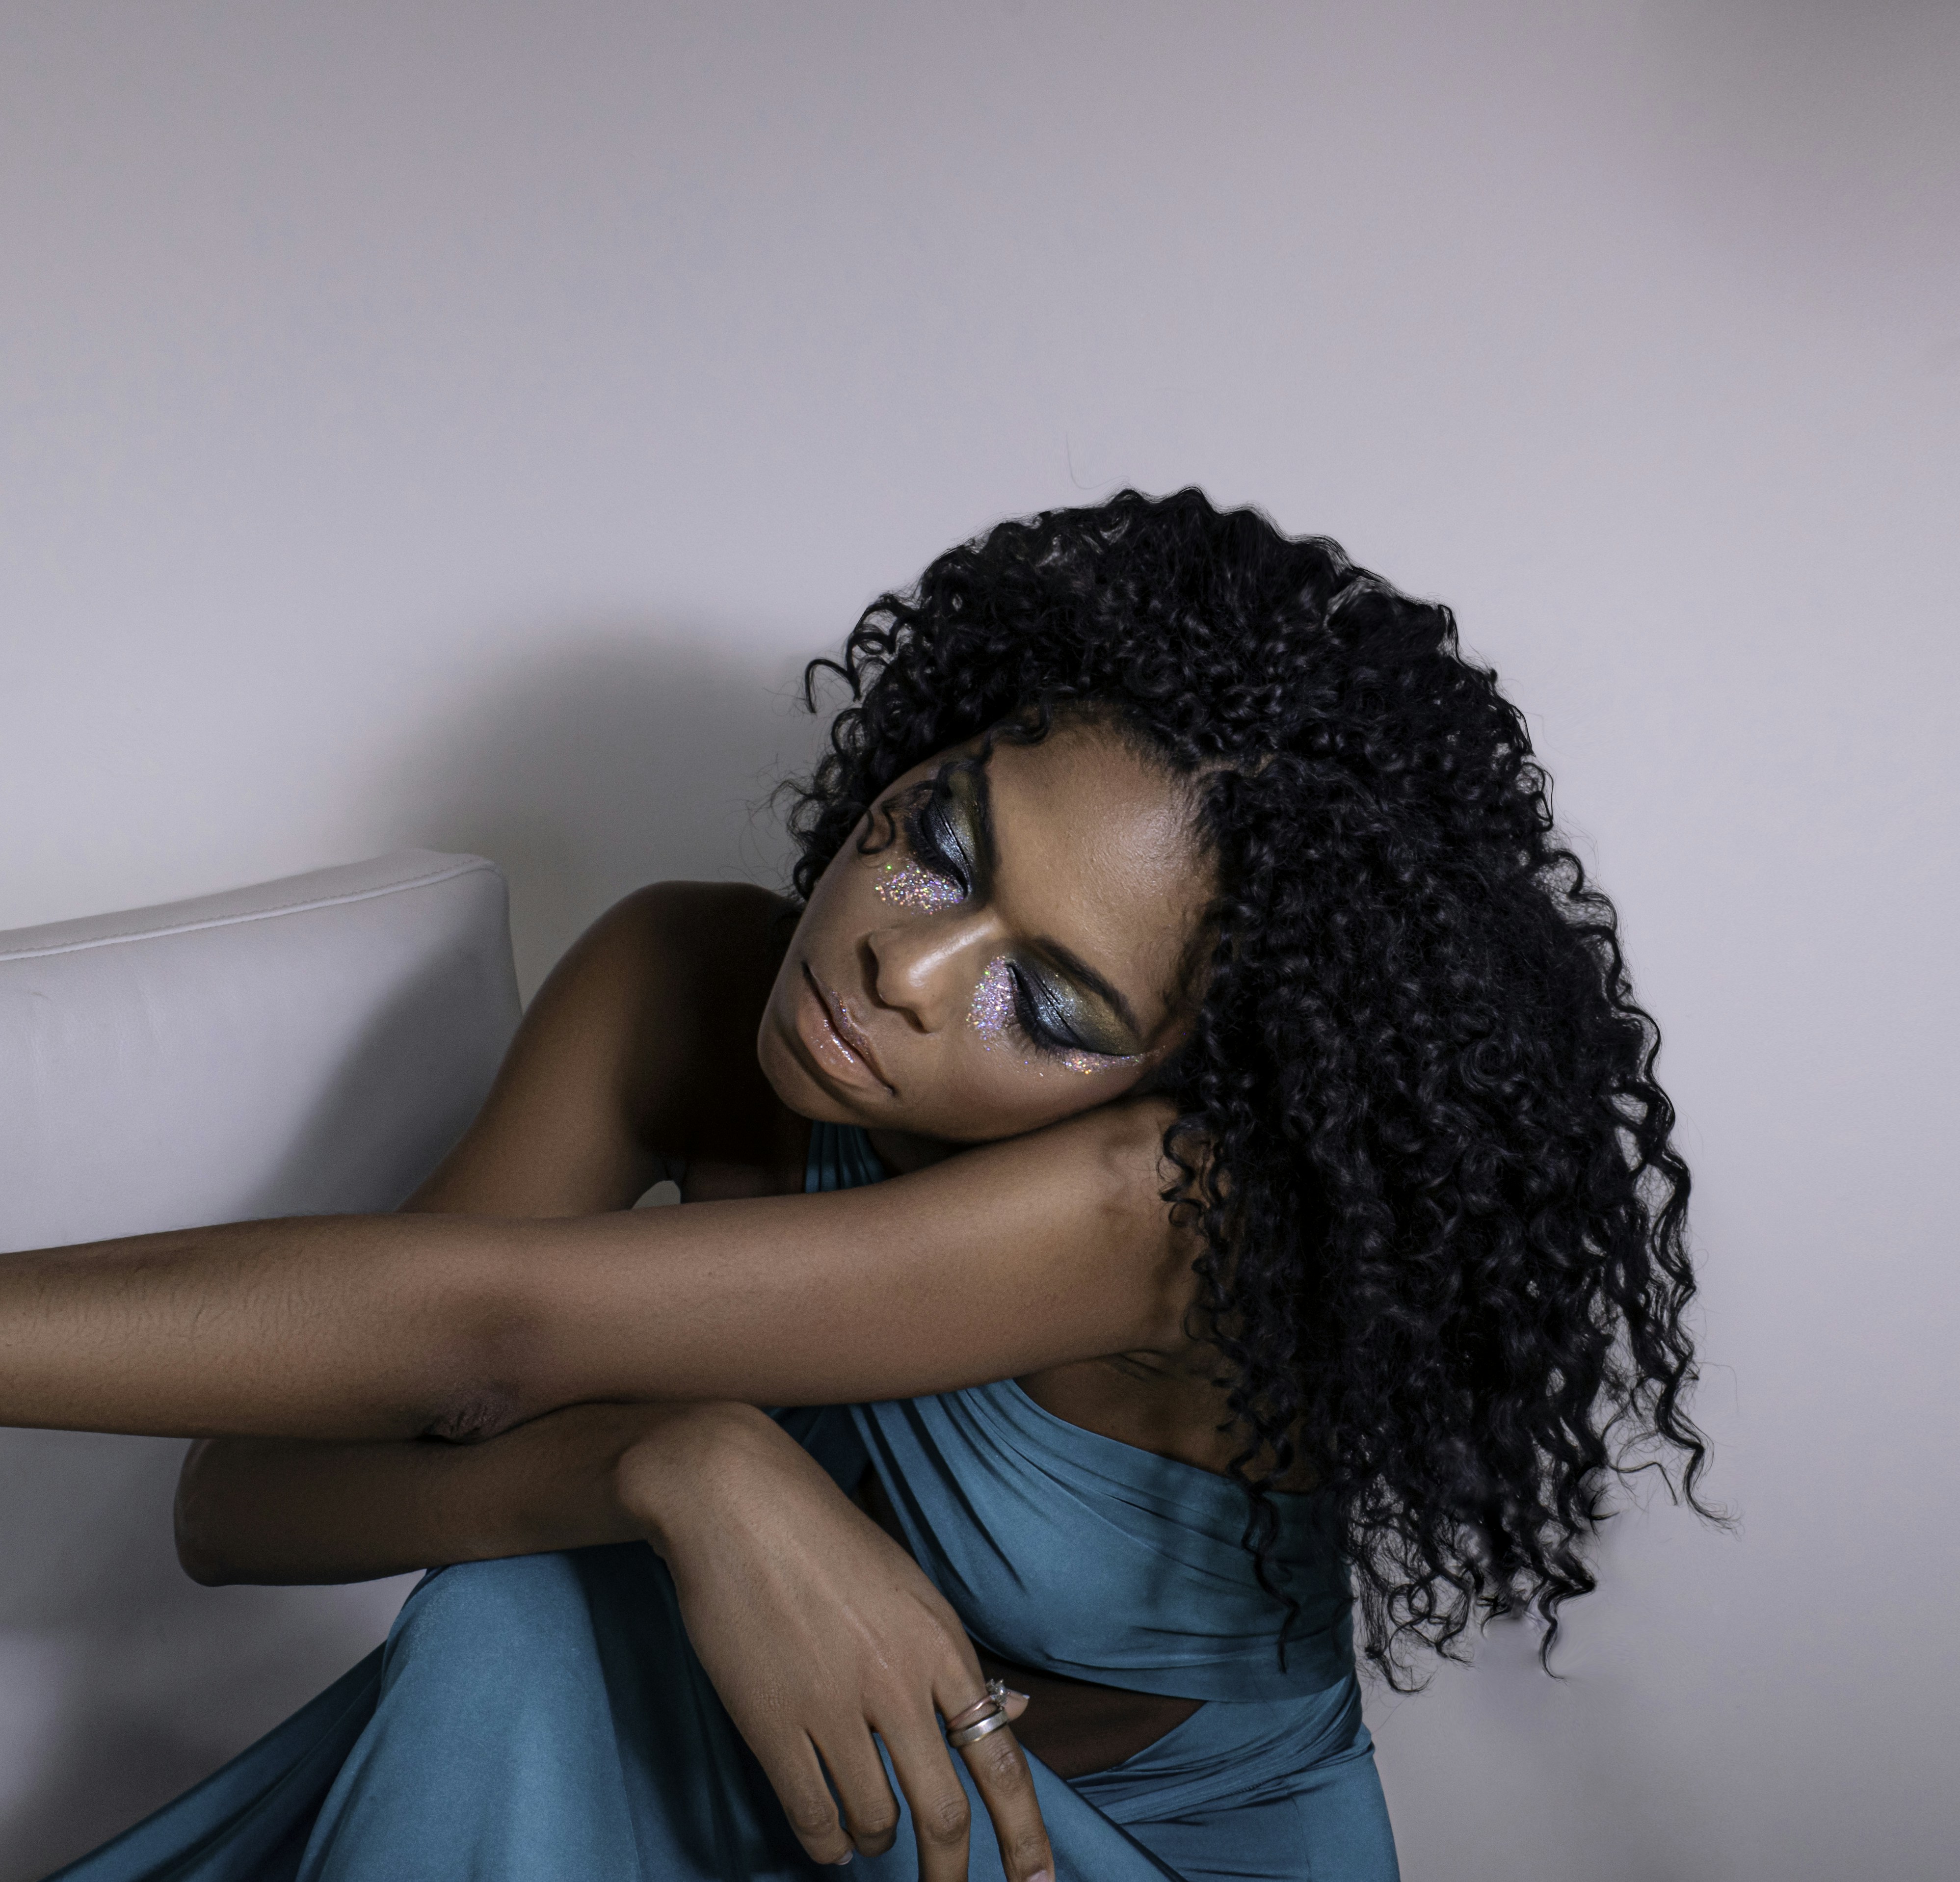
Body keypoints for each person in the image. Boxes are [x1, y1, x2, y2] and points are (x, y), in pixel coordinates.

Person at [5, 488, 1711, 1882]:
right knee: (531, 1615)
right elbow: (234, 1503)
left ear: (1192, 1080)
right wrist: (668, 1463)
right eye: (947, 842)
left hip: (1068, 1853)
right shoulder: (682, 980)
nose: (909, 960)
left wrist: (656, 1458)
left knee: (542, 1623)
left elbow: (487, 1328)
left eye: (1045, 1003)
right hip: (742, 1770)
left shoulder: (1167, 1208)